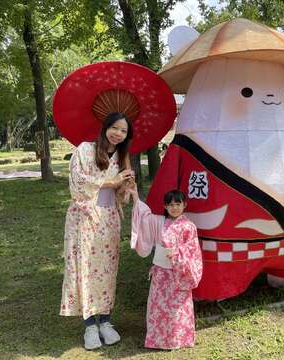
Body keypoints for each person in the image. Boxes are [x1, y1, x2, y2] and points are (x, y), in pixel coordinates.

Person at [60, 112, 134, 350]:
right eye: (114, 128)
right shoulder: (84, 150)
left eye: (123, 131)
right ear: (105, 128)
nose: (118, 134)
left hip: (108, 219)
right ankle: (90, 325)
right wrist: (109, 182)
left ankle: (106, 321)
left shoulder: (123, 158)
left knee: (107, 270)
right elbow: (77, 182)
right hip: (84, 219)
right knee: (86, 269)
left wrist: (125, 186)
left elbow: (119, 197)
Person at [129, 188, 203, 350]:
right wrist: (135, 196)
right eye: (170, 204)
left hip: (179, 274)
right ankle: (158, 340)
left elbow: (193, 251)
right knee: (159, 307)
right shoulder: (160, 222)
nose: (174, 207)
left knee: (177, 308)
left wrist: (176, 253)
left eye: (178, 204)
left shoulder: (189, 226)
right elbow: (144, 218)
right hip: (161, 273)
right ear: (165, 206)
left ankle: (179, 339)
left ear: (185, 205)